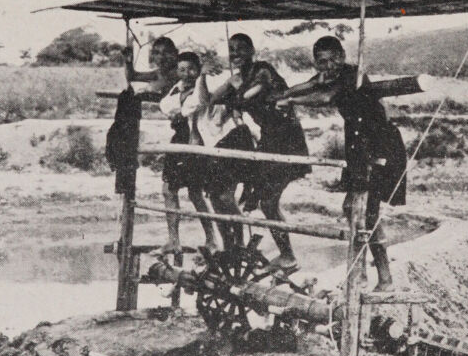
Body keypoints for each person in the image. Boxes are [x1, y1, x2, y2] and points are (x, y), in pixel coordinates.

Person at [276, 36, 408, 295]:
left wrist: (292, 102)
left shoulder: (352, 76)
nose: (328, 66)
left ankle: (371, 278)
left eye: (333, 60)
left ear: (342, 57)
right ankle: (373, 277)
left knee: (360, 210)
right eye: (321, 62)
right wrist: (285, 93)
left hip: (378, 144)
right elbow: (309, 85)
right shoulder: (327, 75)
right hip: (359, 145)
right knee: (358, 211)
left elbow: (326, 97)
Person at [211, 33, 310, 274]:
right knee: (255, 197)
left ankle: (287, 257)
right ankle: (257, 250)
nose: (235, 54)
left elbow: (247, 96)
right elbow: (212, 99)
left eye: (241, 49)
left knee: (268, 201)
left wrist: (233, 92)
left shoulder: (262, 71)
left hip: (286, 140)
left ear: (252, 51)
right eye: (231, 50)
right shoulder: (239, 78)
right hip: (269, 140)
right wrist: (224, 84)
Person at [160, 52, 252, 249]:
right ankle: (174, 240)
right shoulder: (176, 90)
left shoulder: (207, 85)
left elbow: (199, 101)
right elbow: (166, 107)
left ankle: (217, 240)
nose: (187, 74)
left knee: (201, 194)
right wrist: (183, 104)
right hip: (182, 143)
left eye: (192, 69)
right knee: (169, 189)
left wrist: (199, 83)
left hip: (204, 145)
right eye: (182, 70)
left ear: (199, 68)